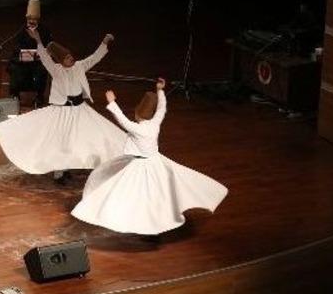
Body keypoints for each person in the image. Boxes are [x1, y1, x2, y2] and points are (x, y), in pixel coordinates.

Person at [71, 78, 228, 235]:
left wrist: (112, 102)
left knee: (131, 191)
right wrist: (160, 91)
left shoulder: (138, 129)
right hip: (155, 162)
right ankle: (154, 220)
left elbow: (122, 120)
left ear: (138, 112)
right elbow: (162, 108)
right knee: (156, 194)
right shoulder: (155, 123)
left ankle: (143, 222)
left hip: (142, 166)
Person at [0, 27, 125, 181]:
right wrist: (37, 40)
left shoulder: (79, 66)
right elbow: (44, 57)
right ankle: (59, 173)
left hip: (79, 109)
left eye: (71, 57)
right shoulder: (56, 70)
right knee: (62, 141)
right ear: (61, 61)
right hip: (63, 111)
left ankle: (67, 168)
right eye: (68, 58)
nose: (72, 60)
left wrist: (104, 43)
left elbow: (94, 58)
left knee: (83, 137)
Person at [8, 0, 52, 106]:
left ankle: (39, 96)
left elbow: (50, 47)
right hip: (23, 60)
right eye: (29, 19)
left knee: (41, 70)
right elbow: (16, 48)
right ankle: (15, 94)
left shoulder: (45, 31)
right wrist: (28, 54)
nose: (31, 21)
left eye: (34, 19)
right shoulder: (22, 30)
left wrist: (41, 53)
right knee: (14, 67)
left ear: (38, 19)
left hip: (38, 62)